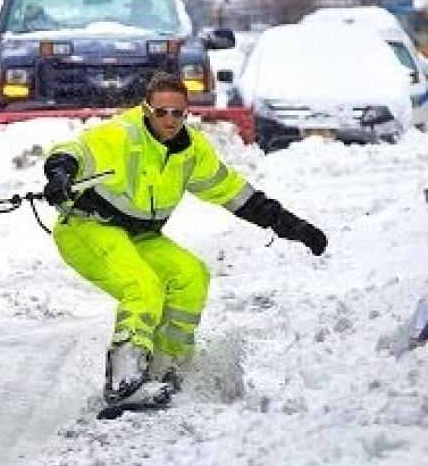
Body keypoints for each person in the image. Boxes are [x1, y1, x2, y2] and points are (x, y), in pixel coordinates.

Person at [42, 71, 327, 407]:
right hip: (87, 227)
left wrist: (288, 225)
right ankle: (124, 382)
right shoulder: (123, 134)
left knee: (191, 275)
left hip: (139, 234)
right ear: (147, 108)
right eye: (161, 112)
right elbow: (75, 150)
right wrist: (60, 173)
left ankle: (166, 368)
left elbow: (235, 193)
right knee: (142, 285)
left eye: (178, 113)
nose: (170, 120)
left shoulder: (191, 150)